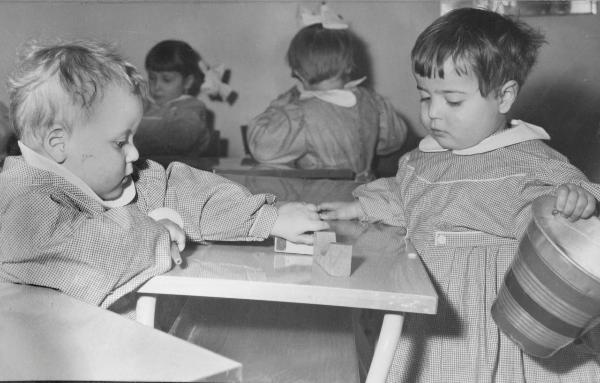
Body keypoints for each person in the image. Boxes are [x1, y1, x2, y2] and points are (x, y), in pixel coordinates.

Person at [318, 8, 600, 382]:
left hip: (495, 329)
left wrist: (579, 199)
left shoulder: (530, 161)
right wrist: (359, 205)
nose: (433, 113)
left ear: (504, 96)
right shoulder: (421, 160)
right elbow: (402, 195)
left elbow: (578, 201)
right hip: (431, 323)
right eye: (424, 97)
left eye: (452, 101)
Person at [0, 39, 328, 316]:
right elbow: (95, 249)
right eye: (119, 143)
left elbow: (178, 190)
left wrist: (267, 219)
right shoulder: (21, 205)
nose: (133, 154)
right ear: (58, 144)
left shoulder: (110, 179)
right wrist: (157, 232)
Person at [247, 4, 408, 182]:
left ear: (299, 73)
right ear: (348, 65)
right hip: (366, 194)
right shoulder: (372, 101)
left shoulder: (302, 114)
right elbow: (392, 141)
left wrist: (284, 101)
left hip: (324, 197)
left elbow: (262, 149)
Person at [135, 40, 212, 159]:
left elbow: (177, 140)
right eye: (152, 78)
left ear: (187, 82)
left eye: (166, 79)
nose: (156, 86)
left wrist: (131, 132)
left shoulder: (192, 107)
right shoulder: (144, 105)